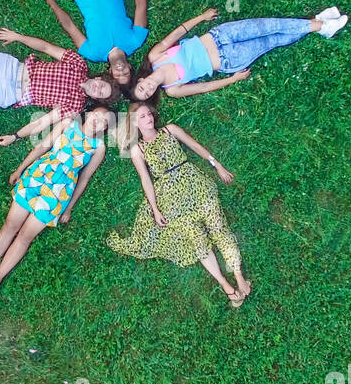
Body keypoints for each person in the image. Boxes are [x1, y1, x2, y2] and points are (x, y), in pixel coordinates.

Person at [106, 101, 250, 308]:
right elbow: (145, 179)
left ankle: (238, 275)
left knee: (219, 228)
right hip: (170, 198)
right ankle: (224, 284)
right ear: (134, 123)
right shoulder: (138, 149)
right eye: (142, 117)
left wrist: (216, 164)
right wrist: (155, 209)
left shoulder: (170, 129)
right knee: (198, 239)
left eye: (149, 114)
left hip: (196, 184)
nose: (148, 119)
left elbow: (194, 146)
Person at [0, 107, 111, 299]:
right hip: (37, 176)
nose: (97, 120)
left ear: (105, 128)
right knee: (10, 225)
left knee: (25, 236)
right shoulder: (68, 123)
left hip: (59, 192)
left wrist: (69, 207)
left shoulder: (98, 147)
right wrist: (20, 169)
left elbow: (84, 178)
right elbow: (43, 146)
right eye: (97, 114)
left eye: (104, 120)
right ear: (90, 113)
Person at [131, 7, 350, 100]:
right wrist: (232, 79)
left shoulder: (155, 57)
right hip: (229, 59)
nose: (148, 88)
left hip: (220, 35)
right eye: (146, 94)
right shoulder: (172, 90)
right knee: (272, 41)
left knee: (267, 25)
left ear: (141, 79)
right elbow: (205, 86)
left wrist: (202, 17)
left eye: (142, 87)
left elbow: (177, 33)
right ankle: (319, 24)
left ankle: (319, 24)